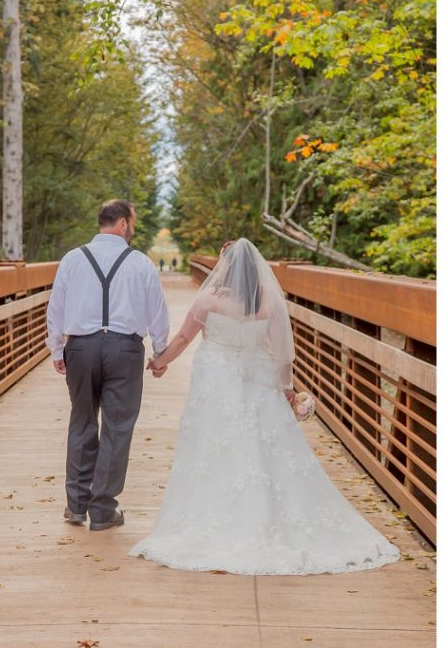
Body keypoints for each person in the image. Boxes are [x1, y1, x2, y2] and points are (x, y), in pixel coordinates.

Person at [131, 238, 400, 574]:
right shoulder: (270, 300)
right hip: (258, 381)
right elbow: (283, 353)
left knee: (213, 448)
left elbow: (184, 338)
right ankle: (267, 519)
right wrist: (287, 390)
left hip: (216, 382)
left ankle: (215, 519)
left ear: (224, 265)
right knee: (260, 447)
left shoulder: (209, 299)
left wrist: (159, 361)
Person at [45, 200, 170, 530]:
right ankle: (102, 510)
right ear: (124, 224)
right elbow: (157, 311)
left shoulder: (73, 259)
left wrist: (56, 348)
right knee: (117, 427)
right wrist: (160, 352)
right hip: (124, 350)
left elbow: (56, 307)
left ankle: (75, 505)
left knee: (82, 420)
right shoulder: (141, 264)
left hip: (81, 348)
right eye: (134, 222)